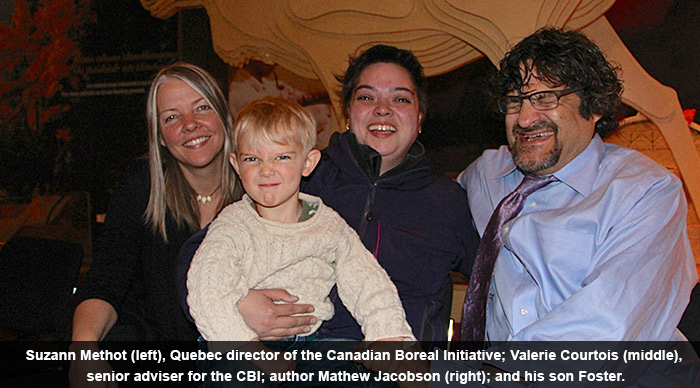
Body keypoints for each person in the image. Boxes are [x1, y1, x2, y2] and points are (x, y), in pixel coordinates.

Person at [361, 28, 700, 387]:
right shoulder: (487, 174)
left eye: (545, 98)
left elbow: (602, 335)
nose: (525, 119)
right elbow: (416, 212)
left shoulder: (645, 191)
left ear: (594, 106)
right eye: (514, 101)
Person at [177, 44, 479, 344]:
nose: (382, 109)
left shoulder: (448, 201)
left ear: (420, 117)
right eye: (366, 97)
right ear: (347, 113)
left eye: (400, 98)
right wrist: (241, 305)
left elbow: (492, 283)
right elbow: (199, 258)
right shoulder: (298, 175)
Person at [188, 96, 414, 384]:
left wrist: (388, 335)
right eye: (252, 159)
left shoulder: (328, 223)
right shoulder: (233, 225)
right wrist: (257, 355)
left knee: (361, 371)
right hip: (238, 340)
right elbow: (207, 291)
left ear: (307, 163)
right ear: (236, 164)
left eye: (281, 157)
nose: (266, 169)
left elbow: (367, 280)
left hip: (311, 343)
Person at [69, 62, 241, 386]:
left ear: (225, 117)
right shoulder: (143, 186)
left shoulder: (261, 186)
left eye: (202, 107)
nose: (190, 124)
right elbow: (106, 280)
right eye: (172, 117)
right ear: (160, 136)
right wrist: (83, 351)